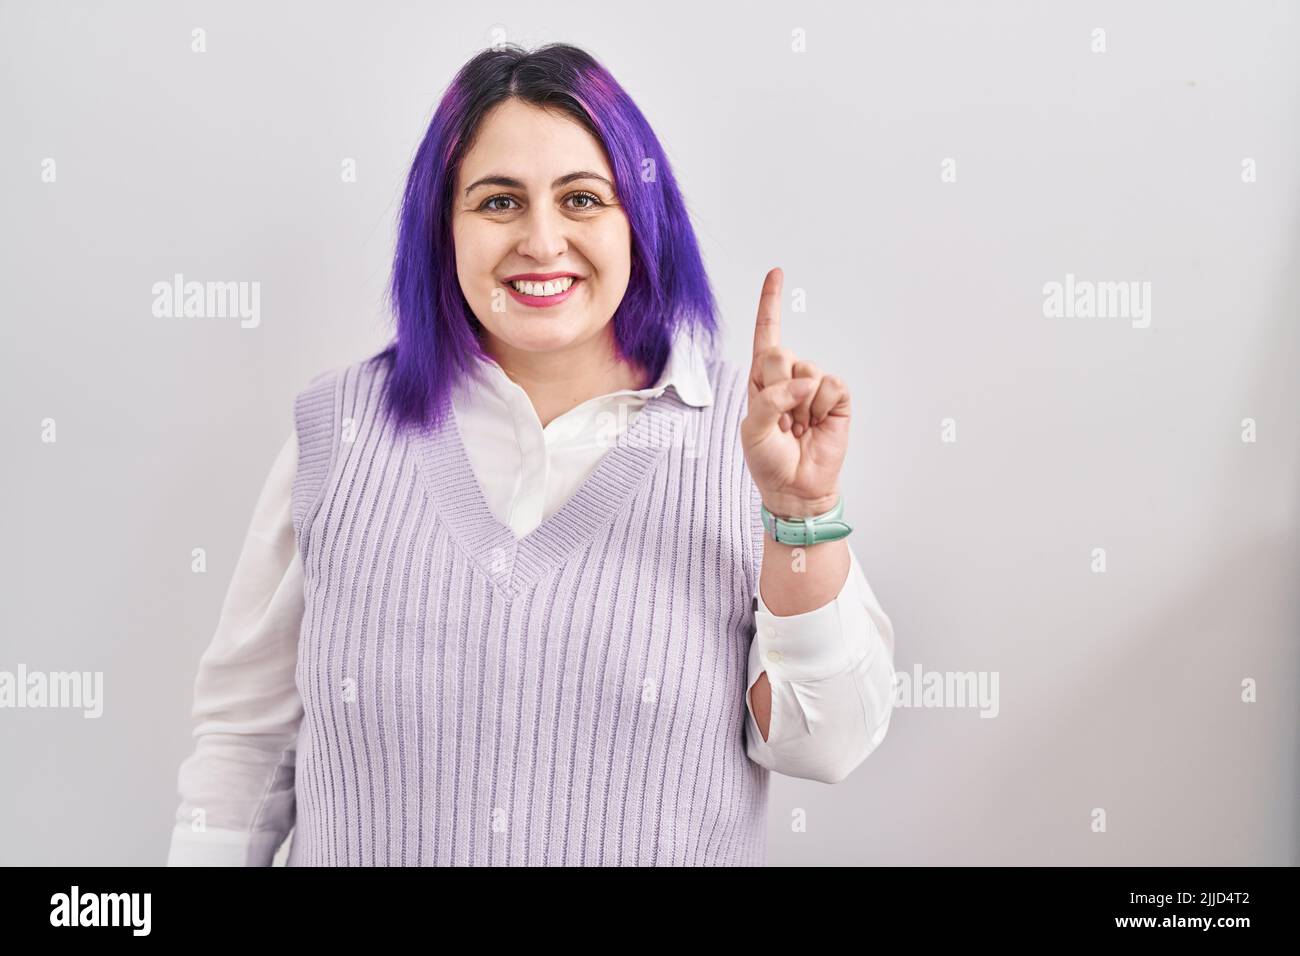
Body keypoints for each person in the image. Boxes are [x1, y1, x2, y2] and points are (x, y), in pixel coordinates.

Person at [167, 42, 897, 867]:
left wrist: (798, 516)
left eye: (583, 199)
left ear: (641, 222)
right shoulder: (339, 430)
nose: (542, 241)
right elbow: (245, 748)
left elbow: (823, 746)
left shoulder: (748, 437)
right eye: (498, 202)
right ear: (443, 227)